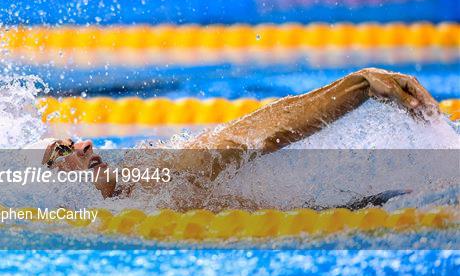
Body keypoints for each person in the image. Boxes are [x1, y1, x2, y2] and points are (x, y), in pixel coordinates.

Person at [40, 68, 440, 211]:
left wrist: (359, 85)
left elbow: (255, 134)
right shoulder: (140, 192)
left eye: (71, 140)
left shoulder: (155, 174)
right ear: (55, 186)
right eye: (62, 151)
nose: (85, 144)